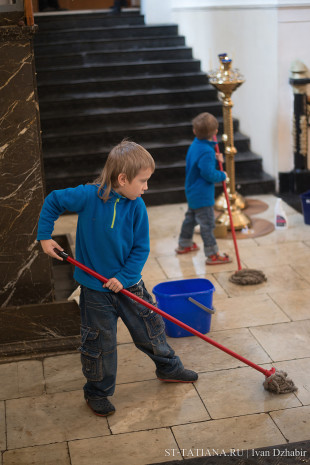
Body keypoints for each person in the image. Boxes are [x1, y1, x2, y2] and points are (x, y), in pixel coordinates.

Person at [37, 140, 198, 417]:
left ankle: (169, 368)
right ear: (122, 179)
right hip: (94, 290)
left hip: (129, 285)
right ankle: (97, 392)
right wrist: (44, 236)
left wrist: (123, 278)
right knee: (99, 343)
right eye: (143, 181)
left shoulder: (137, 206)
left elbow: (140, 248)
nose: (146, 187)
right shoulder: (88, 196)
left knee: (151, 330)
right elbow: (53, 200)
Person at [176, 113, 232, 265]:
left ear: (195, 131)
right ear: (215, 132)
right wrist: (222, 175)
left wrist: (214, 158)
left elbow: (198, 163)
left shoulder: (196, 145)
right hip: (202, 195)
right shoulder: (207, 151)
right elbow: (208, 174)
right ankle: (212, 254)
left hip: (192, 190)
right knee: (207, 224)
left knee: (191, 218)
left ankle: (184, 243)